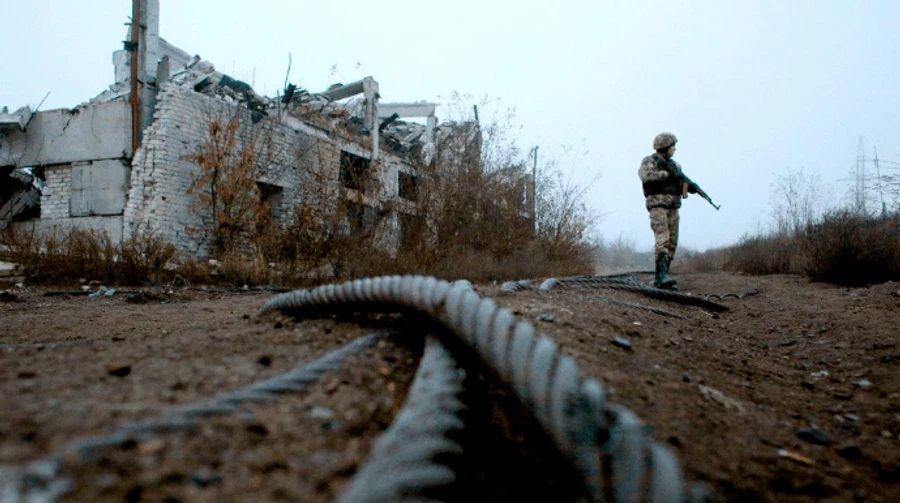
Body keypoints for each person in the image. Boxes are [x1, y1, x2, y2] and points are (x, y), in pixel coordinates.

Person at [638, 132, 696, 289]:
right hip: (658, 206)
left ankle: (664, 278)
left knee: (672, 243)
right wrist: (668, 175)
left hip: (673, 207)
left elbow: (678, 183)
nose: (674, 149)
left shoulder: (675, 166)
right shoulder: (650, 161)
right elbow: (646, 176)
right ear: (664, 147)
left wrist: (688, 188)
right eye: (672, 146)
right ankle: (661, 277)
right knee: (662, 239)